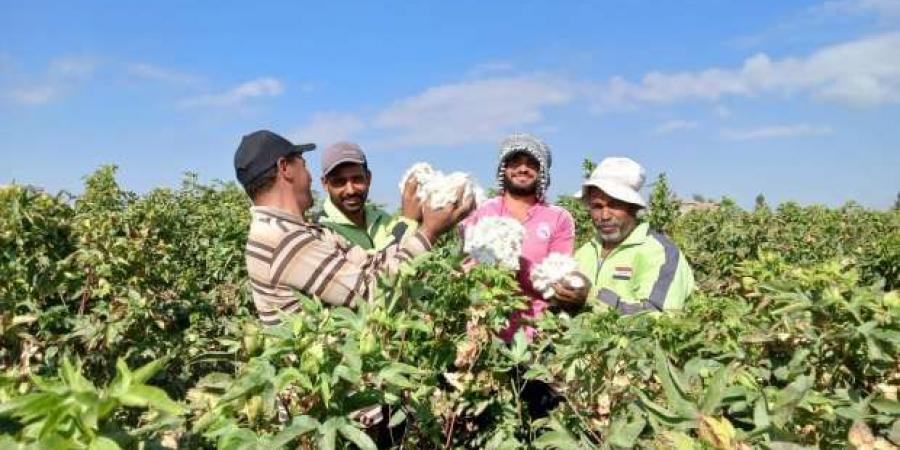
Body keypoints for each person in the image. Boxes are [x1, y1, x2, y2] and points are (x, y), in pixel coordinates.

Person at [234, 130, 473, 326]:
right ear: (285, 168)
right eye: (304, 166)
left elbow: (372, 264)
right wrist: (429, 232)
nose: (307, 176)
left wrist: (416, 225)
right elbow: (373, 293)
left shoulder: (293, 231)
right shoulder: (284, 239)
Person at [461, 133, 576, 341]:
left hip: (537, 334)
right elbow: (465, 266)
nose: (523, 168)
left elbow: (559, 279)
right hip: (484, 331)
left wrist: (518, 265)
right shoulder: (482, 211)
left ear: (542, 172)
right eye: (515, 162)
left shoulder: (558, 218)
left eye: (531, 163)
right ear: (504, 169)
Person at [555, 157, 695, 313]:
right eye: (597, 206)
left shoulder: (660, 253)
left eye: (615, 205)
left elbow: (659, 316)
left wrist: (593, 297)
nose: (605, 215)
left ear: (633, 208)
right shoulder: (584, 253)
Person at [316, 141, 420, 251]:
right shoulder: (322, 230)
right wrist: (408, 221)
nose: (350, 190)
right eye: (339, 182)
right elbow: (370, 266)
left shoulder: (381, 218)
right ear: (325, 184)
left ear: (368, 178)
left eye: (357, 179)